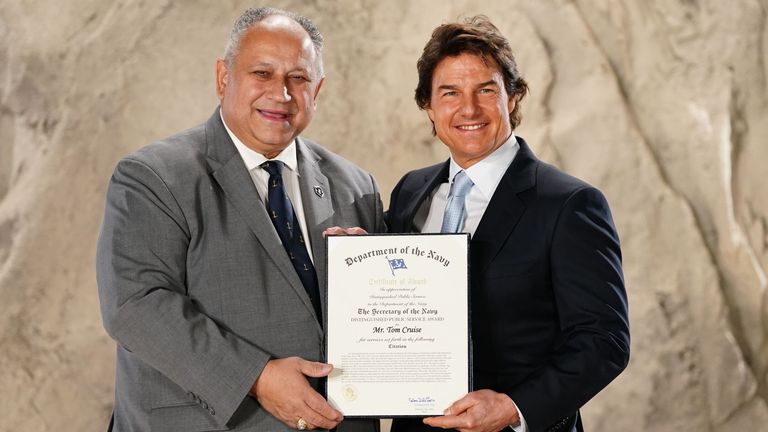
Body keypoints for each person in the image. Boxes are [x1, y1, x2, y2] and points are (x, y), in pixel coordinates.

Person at [96, 7, 384, 432]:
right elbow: (136, 306)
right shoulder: (153, 177)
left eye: (298, 78)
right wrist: (257, 377)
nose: (281, 94)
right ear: (223, 78)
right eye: (262, 73)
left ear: (317, 90)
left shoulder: (355, 186)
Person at [386, 16, 630, 432]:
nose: (469, 109)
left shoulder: (569, 203)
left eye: (486, 90)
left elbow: (603, 341)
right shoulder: (411, 191)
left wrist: (514, 407)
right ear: (428, 105)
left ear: (512, 97)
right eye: (450, 93)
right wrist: (353, 260)